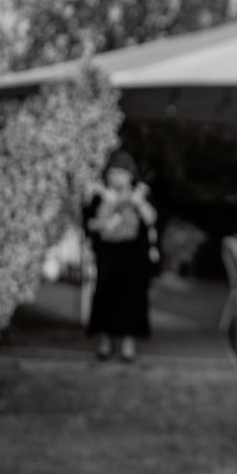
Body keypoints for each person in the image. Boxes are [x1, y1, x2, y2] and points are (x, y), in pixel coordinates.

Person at [83, 151, 157, 362]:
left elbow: (152, 219)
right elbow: (88, 223)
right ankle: (105, 341)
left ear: (130, 175)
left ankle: (127, 343)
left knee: (131, 296)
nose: (116, 178)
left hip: (133, 253)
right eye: (112, 173)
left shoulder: (140, 194)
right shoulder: (98, 195)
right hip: (108, 252)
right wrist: (104, 224)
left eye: (121, 173)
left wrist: (138, 202)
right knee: (105, 294)